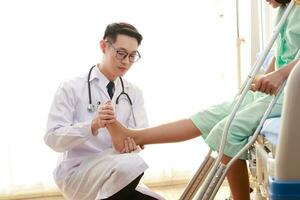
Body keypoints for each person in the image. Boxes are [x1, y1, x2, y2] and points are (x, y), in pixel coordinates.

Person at [103, 1, 300, 199]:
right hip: (277, 89)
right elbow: (281, 53)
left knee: (228, 132)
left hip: (293, 92)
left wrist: (280, 75)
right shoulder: (286, 9)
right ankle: (135, 136)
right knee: (207, 117)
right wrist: (265, 77)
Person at [44, 22, 164, 200]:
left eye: (132, 56)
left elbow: (140, 136)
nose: (126, 61)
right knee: (131, 165)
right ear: (103, 46)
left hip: (117, 171)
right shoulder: (71, 88)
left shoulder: (133, 93)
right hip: (78, 171)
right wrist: (92, 125)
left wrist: (133, 145)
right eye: (121, 53)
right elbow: (52, 138)